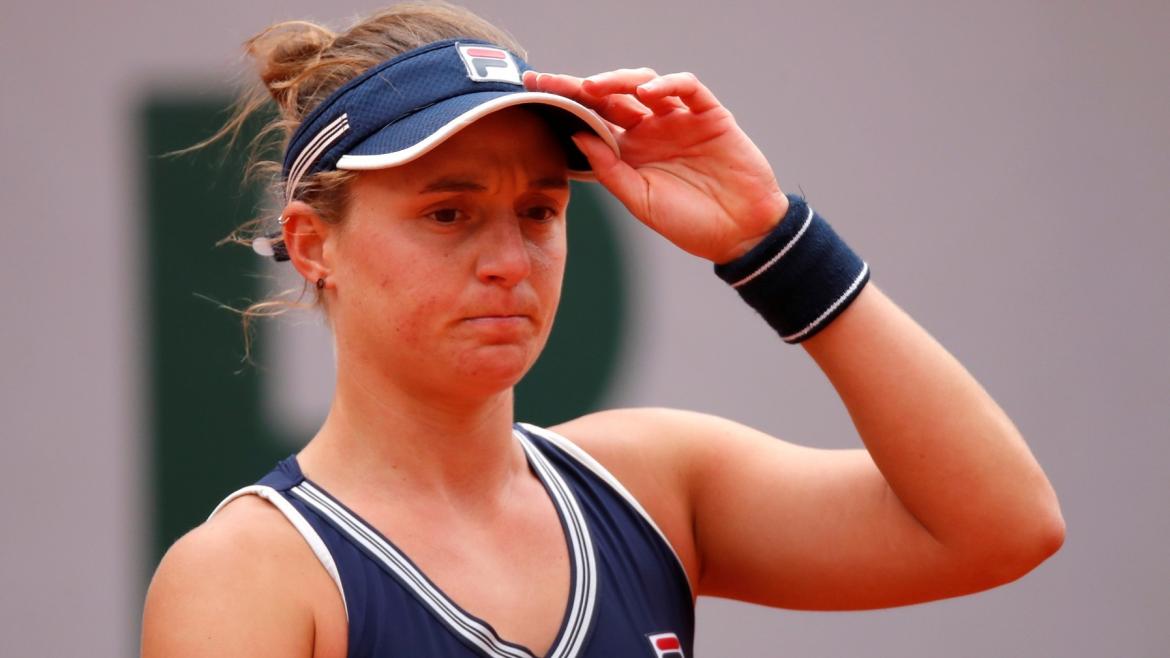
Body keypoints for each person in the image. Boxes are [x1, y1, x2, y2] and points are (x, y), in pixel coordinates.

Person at [140, 3, 1064, 657]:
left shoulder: (651, 484)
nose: (509, 259)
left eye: (539, 212)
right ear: (313, 245)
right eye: (448, 214)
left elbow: (1002, 527)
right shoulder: (247, 575)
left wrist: (768, 240)